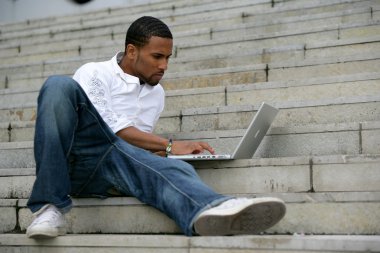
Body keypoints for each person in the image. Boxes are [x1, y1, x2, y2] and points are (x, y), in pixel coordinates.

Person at [26, 16, 286, 238]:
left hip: (112, 168)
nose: (164, 66)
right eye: (157, 56)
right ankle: (50, 207)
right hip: (75, 163)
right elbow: (111, 129)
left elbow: (130, 146)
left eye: (168, 58)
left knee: (171, 166)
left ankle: (208, 211)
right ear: (131, 51)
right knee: (58, 85)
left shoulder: (156, 93)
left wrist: (164, 154)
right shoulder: (95, 73)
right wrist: (170, 144)